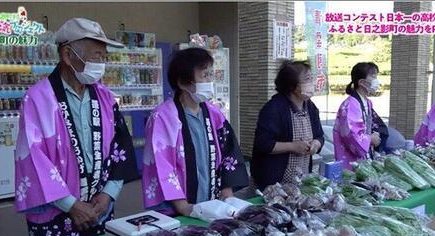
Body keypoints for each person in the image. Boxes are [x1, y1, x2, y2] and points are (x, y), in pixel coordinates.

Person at [15, 18, 138, 236]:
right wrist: (71, 205)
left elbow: (120, 147)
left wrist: (109, 193)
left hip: (98, 207)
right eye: (96, 55)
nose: (102, 63)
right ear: (67, 55)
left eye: (104, 56)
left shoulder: (106, 97)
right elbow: (33, 159)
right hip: (56, 212)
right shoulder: (37, 99)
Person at [142, 48, 248, 216]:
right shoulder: (163, 117)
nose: (210, 81)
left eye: (211, 75)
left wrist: (227, 189)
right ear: (183, 82)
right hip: (181, 209)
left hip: (213, 206)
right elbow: (161, 166)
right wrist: (183, 206)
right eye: (205, 75)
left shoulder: (214, 113)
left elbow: (229, 151)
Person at [251, 61, 324, 190]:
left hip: (301, 178)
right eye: (307, 79)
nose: (312, 83)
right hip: (273, 182)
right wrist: (292, 146)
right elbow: (262, 144)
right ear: (292, 86)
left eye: (311, 78)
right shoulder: (274, 109)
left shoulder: (311, 107)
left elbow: (319, 136)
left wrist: (316, 144)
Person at [333, 62, 389, 170]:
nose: (376, 80)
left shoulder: (367, 103)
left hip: (364, 157)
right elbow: (350, 134)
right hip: (351, 159)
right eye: (373, 76)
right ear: (362, 82)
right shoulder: (350, 105)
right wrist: (370, 139)